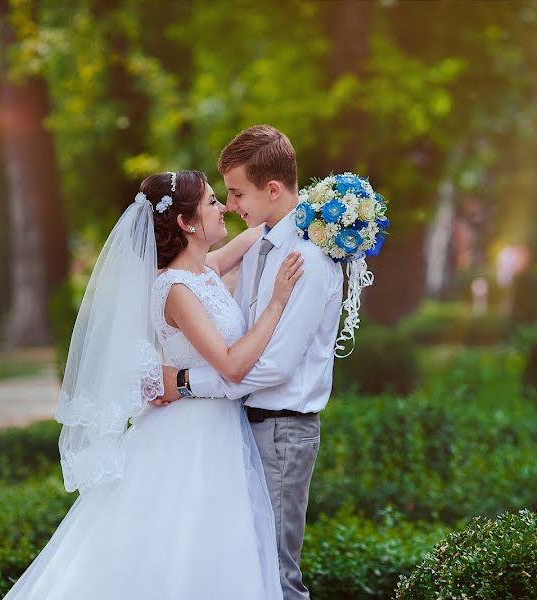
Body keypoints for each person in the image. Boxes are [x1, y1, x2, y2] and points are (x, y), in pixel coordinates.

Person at [3, 170, 304, 600]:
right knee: (183, 547)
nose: (225, 208)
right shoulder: (177, 289)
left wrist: (316, 210)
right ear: (186, 223)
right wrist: (277, 302)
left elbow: (256, 231)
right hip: (192, 436)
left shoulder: (204, 271)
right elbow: (232, 366)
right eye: (213, 202)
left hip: (217, 426)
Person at [153, 125, 344, 600]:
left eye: (236, 193)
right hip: (243, 426)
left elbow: (272, 367)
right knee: (242, 571)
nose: (230, 204)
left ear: (272, 189)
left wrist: (184, 382)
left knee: (276, 575)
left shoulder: (306, 259)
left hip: (281, 428)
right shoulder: (263, 246)